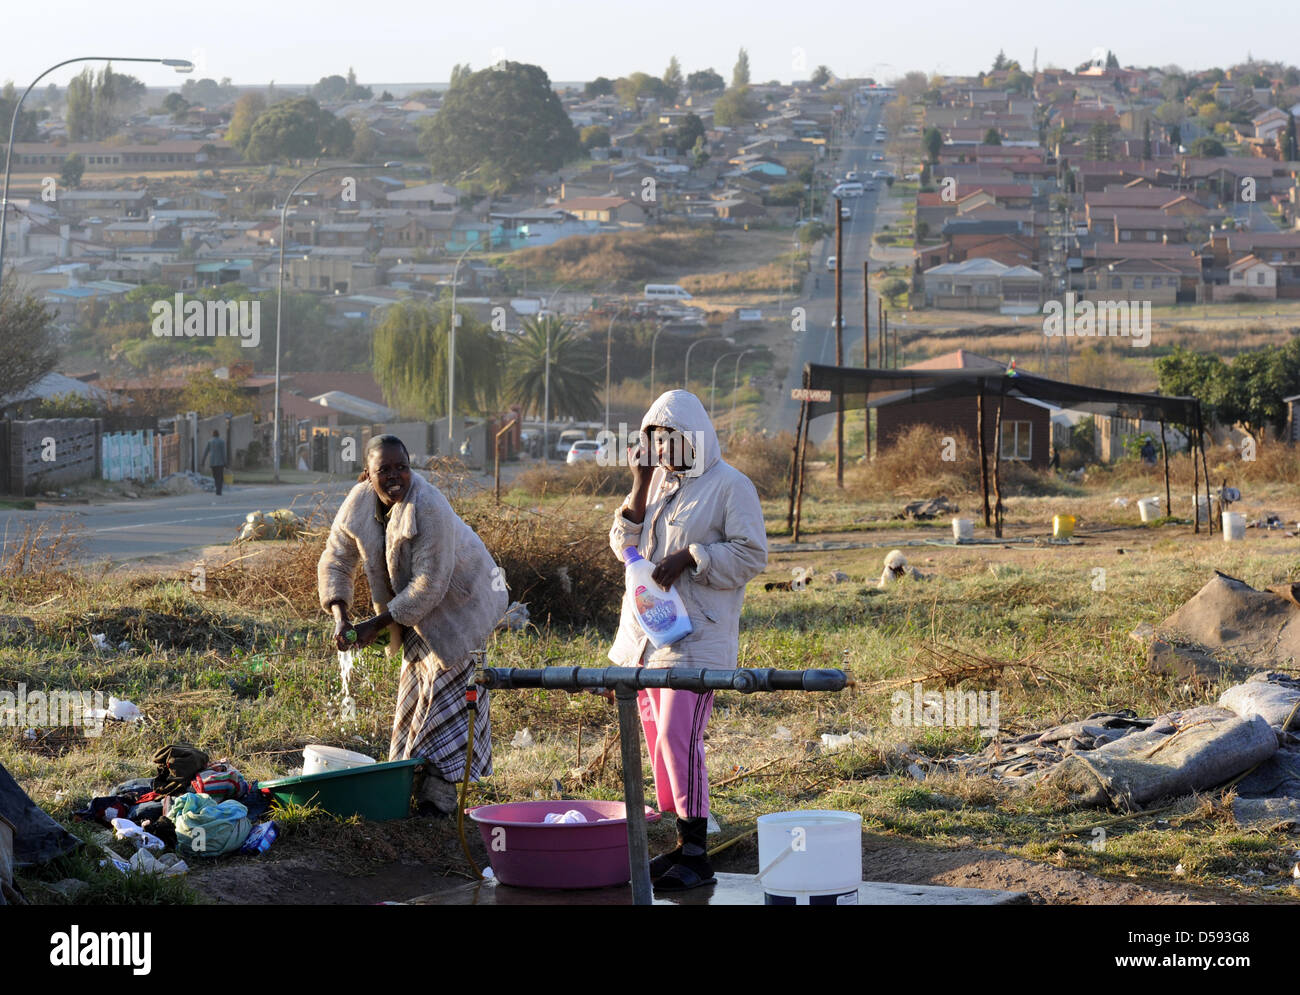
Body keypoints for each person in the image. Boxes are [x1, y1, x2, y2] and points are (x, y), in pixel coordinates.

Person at [608, 390, 768, 891]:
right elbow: (622, 546)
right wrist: (638, 484)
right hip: (647, 640)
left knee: (681, 738)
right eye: (653, 440)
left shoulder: (730, 487)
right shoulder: (655, 485)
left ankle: (697, 854)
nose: (661, 450)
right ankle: (679, 844)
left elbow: (751, 555)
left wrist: (692, 557)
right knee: (657, 741)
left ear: (693, 438)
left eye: (669, 439)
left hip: (697, 641)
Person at [318, 435, 507, 815]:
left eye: (401, 467)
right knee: (415, 692)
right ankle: (413, 784)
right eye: (383, 470)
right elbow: (335, 559)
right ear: (366, 475)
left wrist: (376, 623)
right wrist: (341, 615)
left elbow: (429, 586)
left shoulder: (429, 505)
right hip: (412, 610)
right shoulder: (357, 504)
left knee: (446, 694)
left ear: (410, 467)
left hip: (462, 603)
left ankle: (438, 799)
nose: (394, 476)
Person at [200, 429, 226, 495]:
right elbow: (223, 453)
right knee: (220, 476)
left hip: (212, 462)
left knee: (215, 476)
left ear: (213, 434)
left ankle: (217, 488)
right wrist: (226, 462)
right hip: (220, 463)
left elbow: (206, 452)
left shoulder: (210, 441)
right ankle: (219, 490)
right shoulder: (222, 442)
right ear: (218, 434)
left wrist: (203, 461)